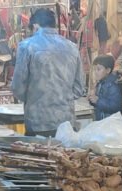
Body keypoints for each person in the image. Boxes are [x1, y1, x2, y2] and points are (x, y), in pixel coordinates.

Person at [11, 8, 85, 137]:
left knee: (39, 156)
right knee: (65, 156)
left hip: (38, 123)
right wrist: (61, 97)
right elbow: (79, 88)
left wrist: (36, 99)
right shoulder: (72, 47)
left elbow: (18, 88)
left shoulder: (26, 46)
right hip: (66, 123)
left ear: (35, 26)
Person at [88, 55, 122, 120]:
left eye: (98, 69)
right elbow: (97, 103)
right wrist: (91, 99)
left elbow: (115, 107)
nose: (95, 72)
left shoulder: (113, 86)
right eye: (94, 69)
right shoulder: (100, 83)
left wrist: (97, 101)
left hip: (110, 123)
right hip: (102, 121)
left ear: (108, 70)